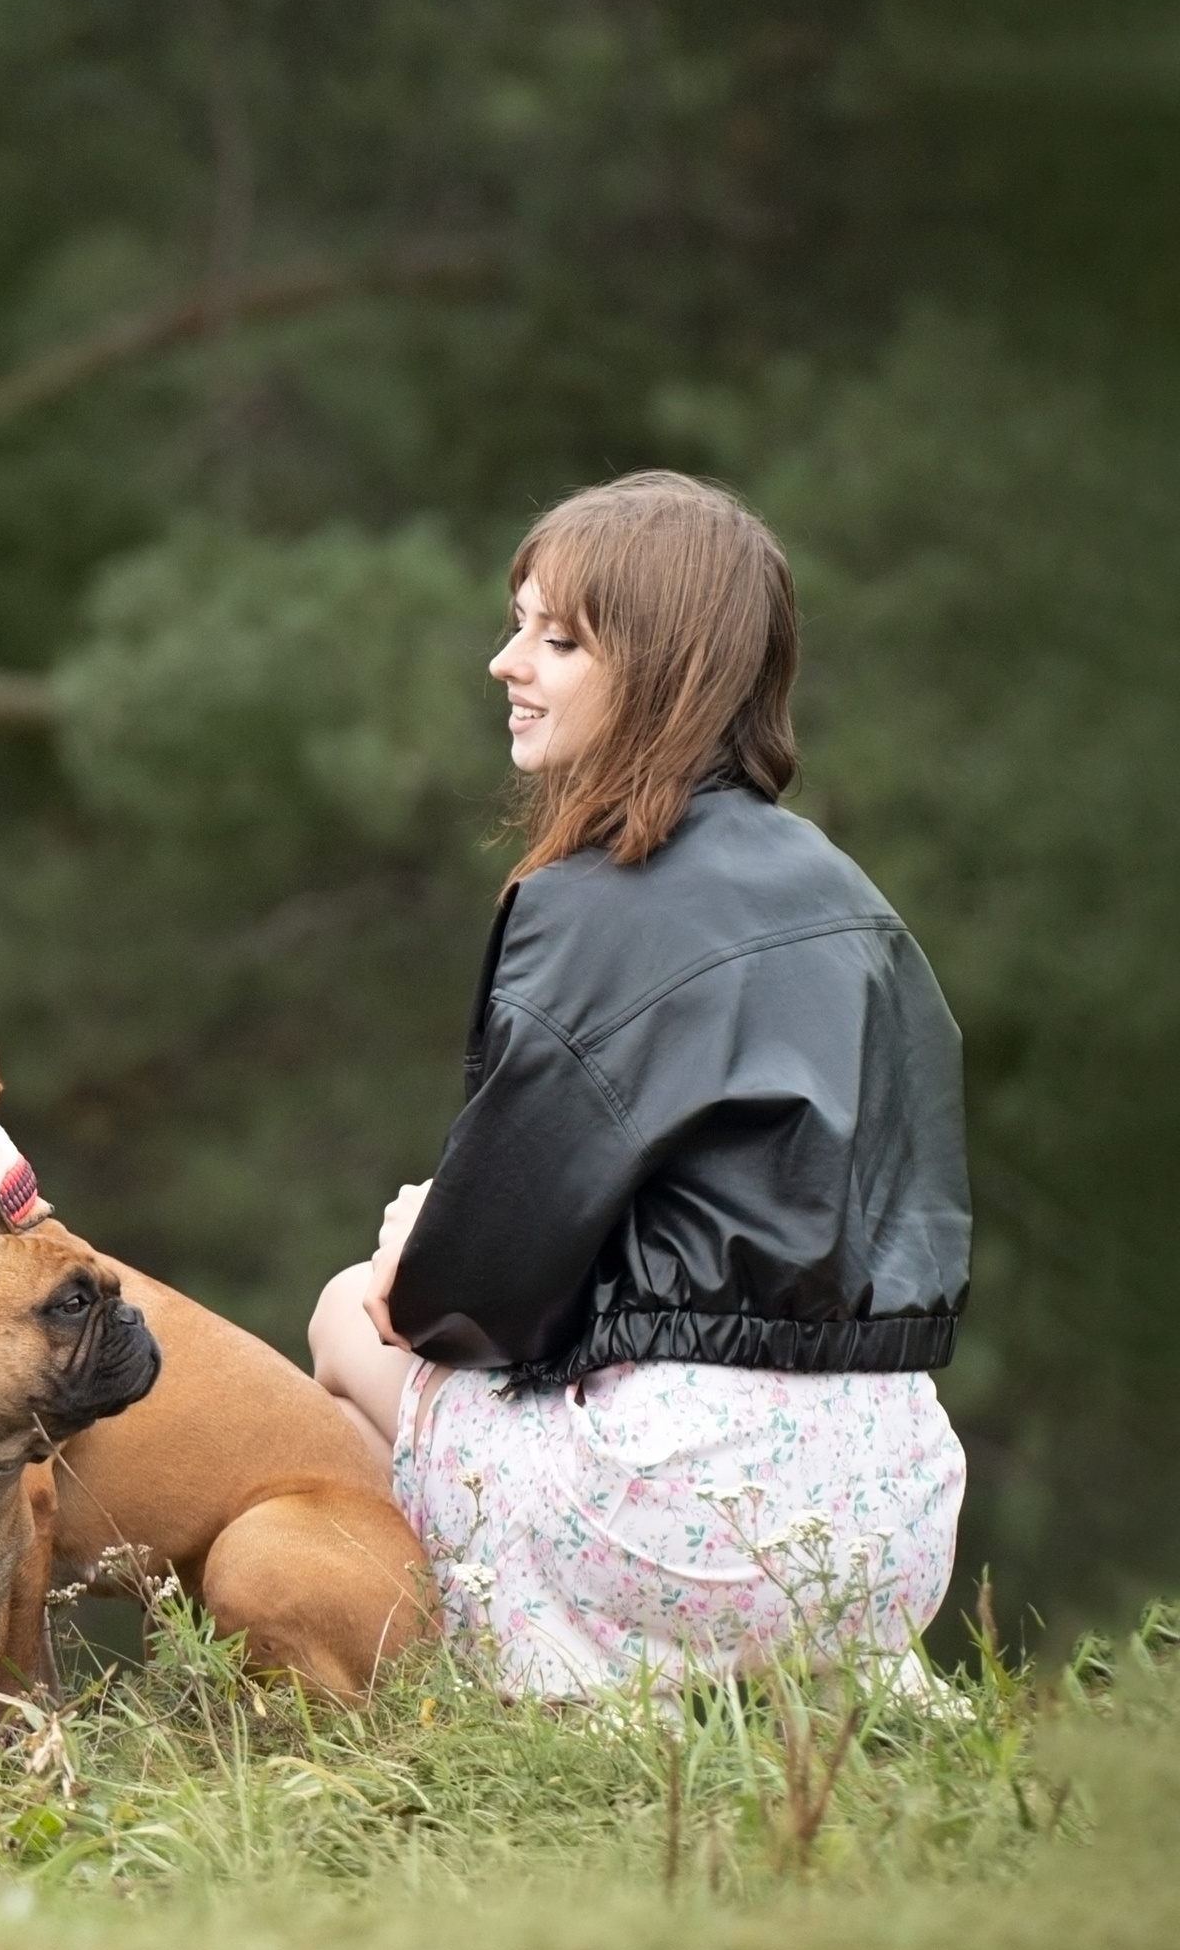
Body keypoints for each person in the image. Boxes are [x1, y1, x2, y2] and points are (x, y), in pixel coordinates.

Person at [309, 471, 969, 1694]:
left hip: (677, 1517)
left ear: (663, 671)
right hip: (892, 1518)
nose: (507, 662)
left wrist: (416, 1247)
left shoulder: (589, 905)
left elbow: (476, 1300)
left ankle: (486, 1690)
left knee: (347, 1312)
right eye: (517, 625)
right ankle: (804, 1681)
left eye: (556, 639)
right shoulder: (854, 902)